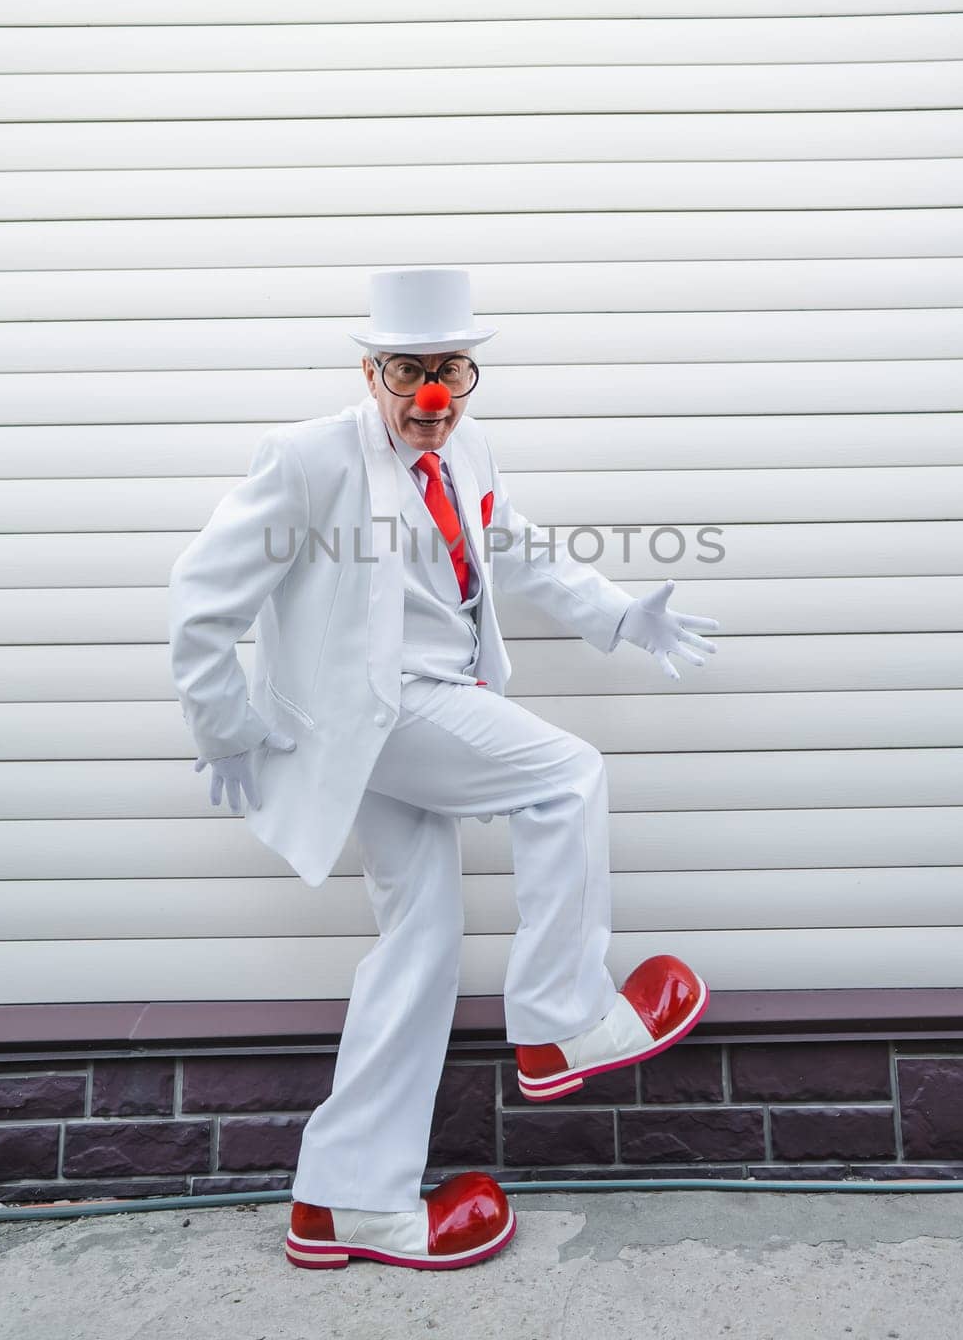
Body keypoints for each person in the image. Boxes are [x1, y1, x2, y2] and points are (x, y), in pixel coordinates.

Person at [168, 266, 720, 1272]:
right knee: (567, 775)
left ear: (471, 375)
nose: (432, 395)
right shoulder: (308, 459)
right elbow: (201, 593)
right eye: (410, 372)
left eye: (451, 372)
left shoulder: (468, 449)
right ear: (373, 370)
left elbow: (521, 551)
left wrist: (616, 612)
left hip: (427, 708)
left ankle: (344, 1202)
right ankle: (561, 1019)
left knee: (420, 944)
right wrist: (225, 723)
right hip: (380, 717)